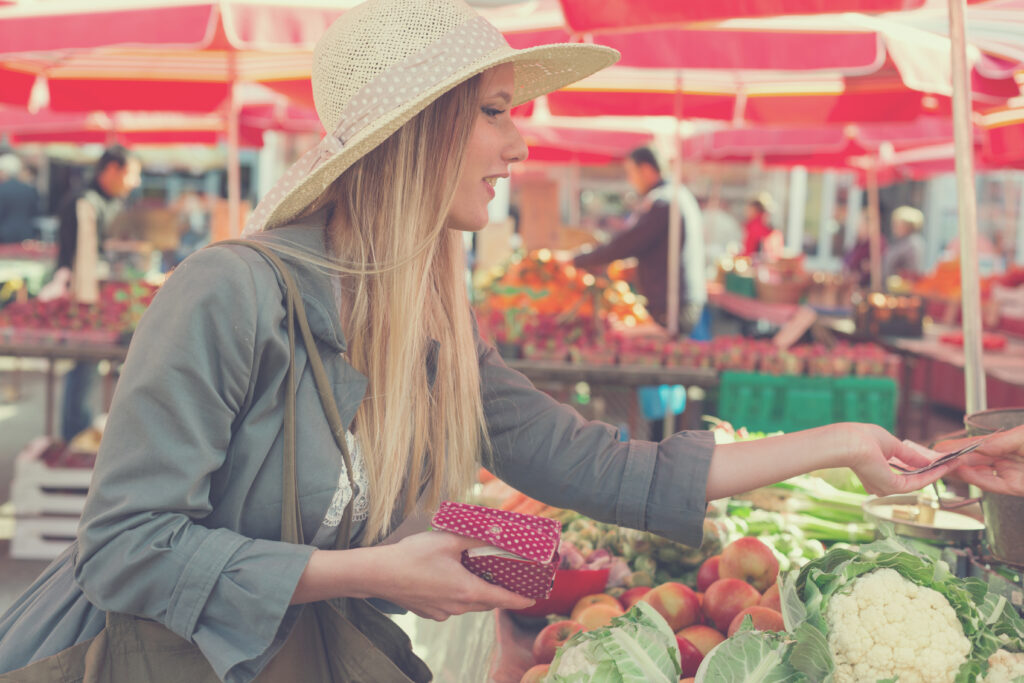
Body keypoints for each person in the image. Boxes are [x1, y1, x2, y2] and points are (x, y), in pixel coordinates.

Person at [0, 1, 955, 680]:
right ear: (415, 133)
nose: (521, 145)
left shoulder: (425, 315)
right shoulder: (229, 292)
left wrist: (840, 446)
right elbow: (125, 546)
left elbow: (598, 464)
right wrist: (374, 571)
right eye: (495, 112)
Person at [42, 145, 141, 442]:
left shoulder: (98, 201)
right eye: (131, 174)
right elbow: (83, 259)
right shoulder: (85, 202)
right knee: (83, 365)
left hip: (90, 298)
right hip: (82, 299)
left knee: (85, 367)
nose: (134, 182)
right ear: (112, 169)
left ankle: (78, 430)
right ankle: (75, 433)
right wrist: (90, 308)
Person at [573, 147, 707, 333]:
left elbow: (627, 244)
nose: (630, 180)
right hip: (682, 298)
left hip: (672, 302)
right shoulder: (677, 194)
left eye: (631, 172)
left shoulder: (663, 201)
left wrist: (579, 260)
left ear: (645, 169)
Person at [0, 153, 39, 244]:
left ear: (4, 171)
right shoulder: (29, 190)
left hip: (4, 235)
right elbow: (35, 211)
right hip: (26, 234)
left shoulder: (1, 190)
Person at [882, 205, 926, 282]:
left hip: (904, 286)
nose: (894, 227)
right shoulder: (900, 241)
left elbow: (912, 269)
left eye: (898, 224)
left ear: (909, 226)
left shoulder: (913, 243)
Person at [741, 192, 774, 257]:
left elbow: (751, 248)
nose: (747, 212)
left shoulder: (755, 226)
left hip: (754, 260)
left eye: (749, 209)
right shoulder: (758, 225)